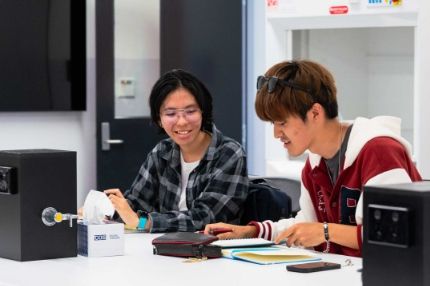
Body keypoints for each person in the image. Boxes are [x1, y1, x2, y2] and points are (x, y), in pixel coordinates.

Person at [204, 60, 422, 257]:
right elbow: (308, 225)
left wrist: (325, 232)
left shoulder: (379, 151)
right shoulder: (314, 165)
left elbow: (396, 236)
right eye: (273, 124)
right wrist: (252, 231)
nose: (276, 134)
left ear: (315, 113)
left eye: (282, 122)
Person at [103, 69, 248, 233]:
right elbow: (137, 203)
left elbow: (204, 217)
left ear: (203, 112)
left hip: (213, 253)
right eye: (171, 113)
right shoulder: (162, 152)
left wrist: (143, 222)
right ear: (159, 119)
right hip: (166, 252)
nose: (181, 122)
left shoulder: (229, 153)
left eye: (190, 111)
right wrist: (107, 209)